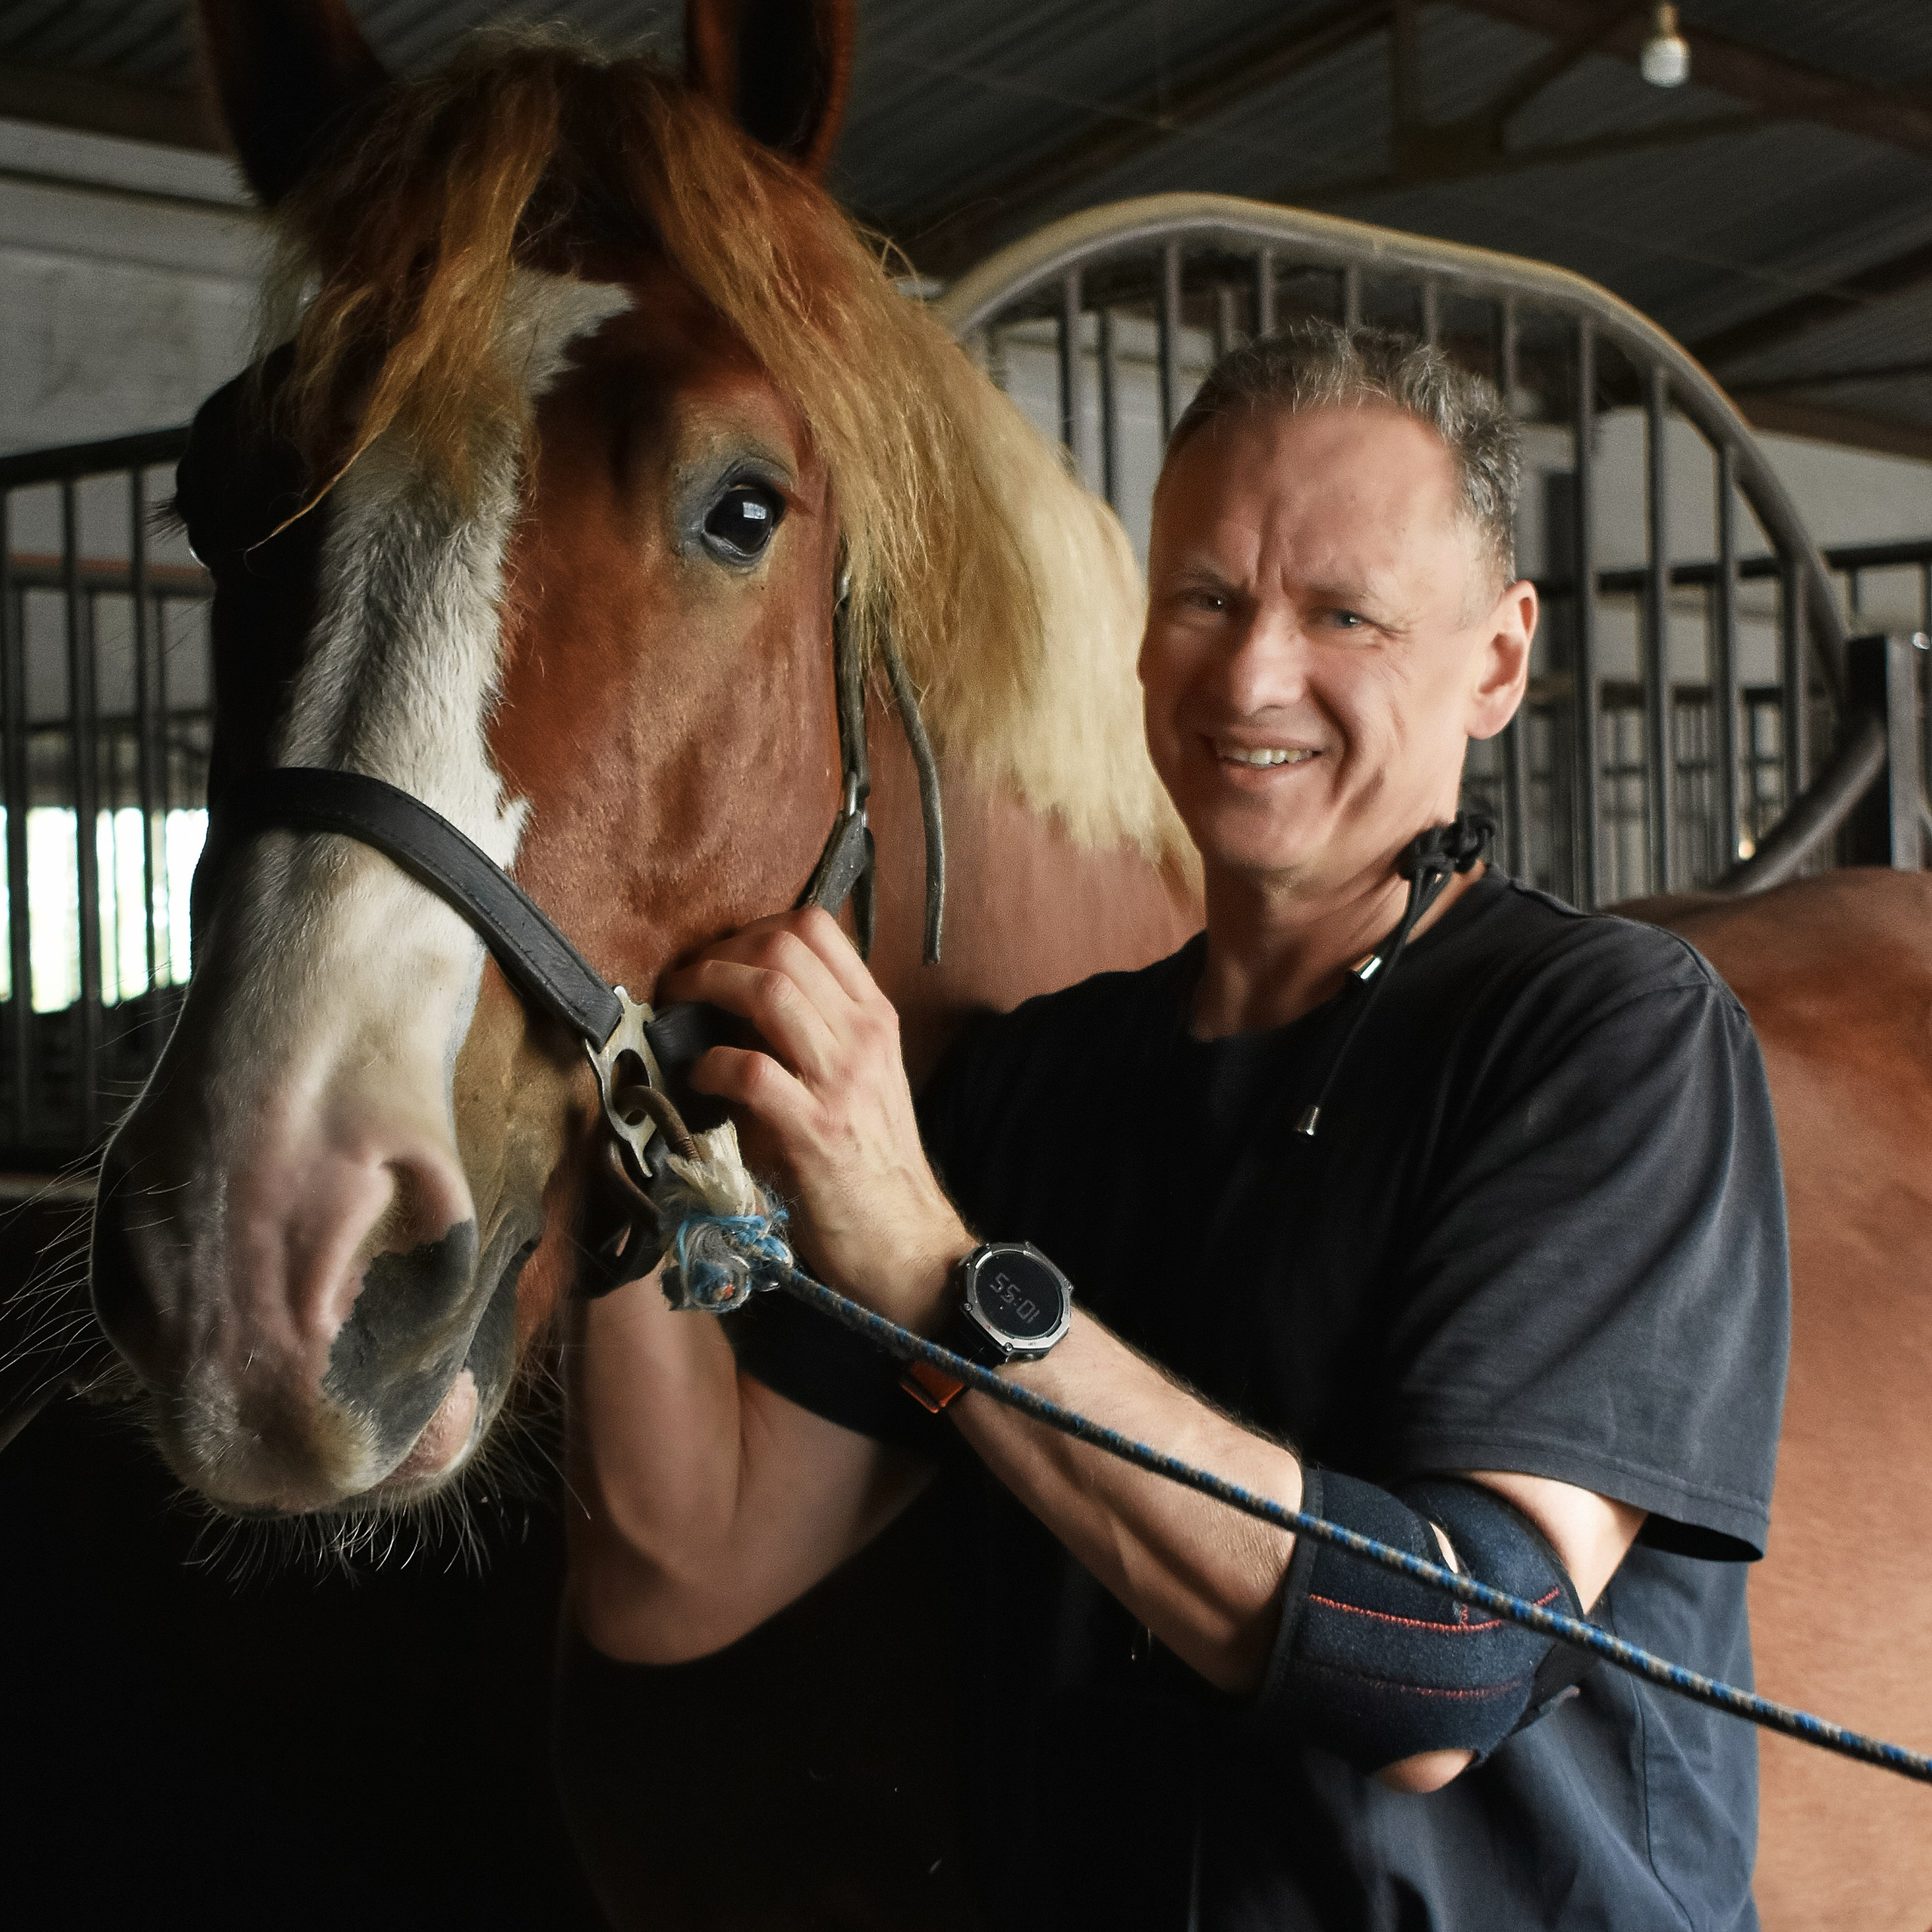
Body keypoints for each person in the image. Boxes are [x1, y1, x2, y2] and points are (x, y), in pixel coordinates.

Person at [571, 321, 1789, 1930]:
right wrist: (604, 1108)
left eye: (1339, 613)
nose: (1248, 671)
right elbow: (679, 1569)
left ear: (1495, 661)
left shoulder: (1604, 1037)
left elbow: (1442, 1658)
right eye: (1203, 597)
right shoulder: (1040, 1083)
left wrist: (942, 1272)